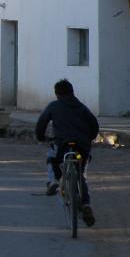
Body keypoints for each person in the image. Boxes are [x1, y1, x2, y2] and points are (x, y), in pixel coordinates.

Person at [35, 78, 99, 226]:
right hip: (82, 148)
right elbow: (94, 125)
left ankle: (54, 181)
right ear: (72, 92)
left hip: (63, 144)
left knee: (52, 157)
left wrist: (41, 137)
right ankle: (86, 204)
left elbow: (41, 124)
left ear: (57, 94)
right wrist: (89, 139)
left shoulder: (54, 106)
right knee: (81, 174)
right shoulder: (82, 107)